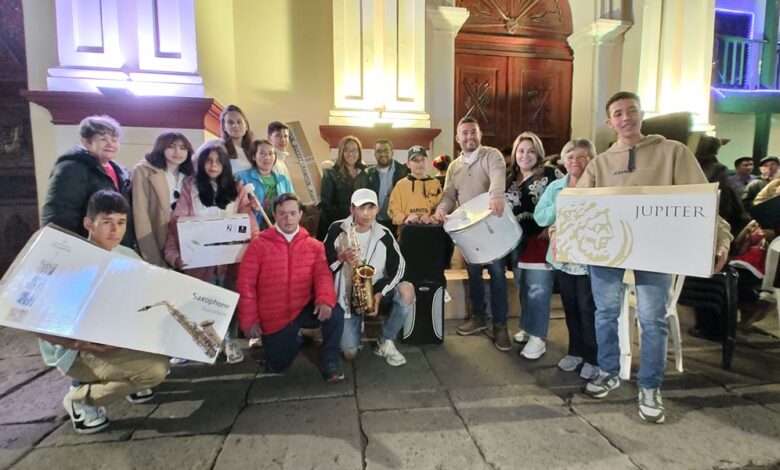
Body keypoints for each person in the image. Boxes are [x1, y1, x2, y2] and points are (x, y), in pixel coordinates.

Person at [577, 91, 732, 424]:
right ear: (610, 121)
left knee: (652, 319)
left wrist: (721, 239)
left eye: (631, 110)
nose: (625, 117)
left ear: (641, 114)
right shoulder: (600, 164)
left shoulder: (672, 152)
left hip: (655, 251)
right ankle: (607, 371)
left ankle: (649, 385)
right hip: (608, 250)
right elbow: (577, 208)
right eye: (618, 113)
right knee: (605, 312)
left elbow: (703, 203)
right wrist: (566, 236)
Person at [38, 190, 169, 434]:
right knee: (154, 371)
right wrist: (80, 343)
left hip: (118, 335)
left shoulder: (126, 254)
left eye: (120, 223)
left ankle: (125, 380)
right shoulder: (73, 261)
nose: (114, 230)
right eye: (106, 222)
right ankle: (82, 398)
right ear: (89, 223)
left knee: (168, 348)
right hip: (74, 350)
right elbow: (42, 322)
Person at [164, 140, 259, 364]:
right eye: (209, 160)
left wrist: (252, 251)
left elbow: (249, 222)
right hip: (200, 260)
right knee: (200, 301)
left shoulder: (236, 188)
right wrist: (177, 255)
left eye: (218, 161)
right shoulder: (191, 187)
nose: (213, 165)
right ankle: (201, 343)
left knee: (230, 299)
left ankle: (230, 341)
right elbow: (179, 221)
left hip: (231, 258)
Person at [237, 193, 344, 382]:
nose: (288, 218)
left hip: (303, 307)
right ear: (275, 215)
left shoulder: (314, 246)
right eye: (282, 214)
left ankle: (330, 361)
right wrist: (250, 320)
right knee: (277, 367)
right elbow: (246, 285)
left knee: (335, 312)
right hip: (275, 316)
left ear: (300, 214)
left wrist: (324, 299)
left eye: (293, 213)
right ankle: (294, 339)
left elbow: (323, 275)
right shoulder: (258, 245)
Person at [432, 116, 508, 350]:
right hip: (469, 231)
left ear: (480, 134)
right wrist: (442, 208)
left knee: (497, 274)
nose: (469, 136)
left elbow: (498, 175)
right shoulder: (454, 166)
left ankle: (500, 325)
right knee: (473, 274)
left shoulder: (491, 155)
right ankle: (478, 318)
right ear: (458, 138)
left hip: (492, 226)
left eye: (473, 132)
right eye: (464, 133)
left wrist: (496, 194)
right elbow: (449, 194)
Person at [324, 189, 414, 366]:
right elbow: (321, 262)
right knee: (349, 353)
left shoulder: (385, 233)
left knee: (407, 290)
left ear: (377, 209)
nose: (366, 214)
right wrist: (339, 258)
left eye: (371, 208)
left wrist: (380, 293)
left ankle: (385, 340)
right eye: (361, 208)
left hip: (375, 291)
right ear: (352, 209)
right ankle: (358, 323)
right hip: (347, 297)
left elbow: (399, 267)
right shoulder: (337, 228)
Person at [533, 139, 599, 379]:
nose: (575, 162)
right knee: (570, 307)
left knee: (587, 308)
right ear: (563, 161)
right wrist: (563, 206)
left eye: (582, 157)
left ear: (592, 159)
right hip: (564, 258)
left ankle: (593, 358)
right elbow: (541, 217)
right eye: (570, 157)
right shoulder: (556, 187)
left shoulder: (599, 185)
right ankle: (575, 352)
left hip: (590, 260)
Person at [505, 131, 563, 359]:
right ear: (514, 153)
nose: (525, 155)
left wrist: (552, 228)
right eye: (520, 150)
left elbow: (566, 199)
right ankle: (528, 327)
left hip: (540, 239)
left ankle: (538, 338)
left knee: (538, 289)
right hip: (517, 241)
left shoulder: (550, 173)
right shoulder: (510, 177)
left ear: (538, 152)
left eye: (530, 150)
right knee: (523, 286)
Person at [40, 115, 134, 248]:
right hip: (84, 247)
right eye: (103, 139)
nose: (110, 144)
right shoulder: (71, 168)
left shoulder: (120, 170)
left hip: (113, 248)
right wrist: (65, 248)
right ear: (86, 141)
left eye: (114, 140)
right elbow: (58, 214)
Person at [132, 132, 195, 267]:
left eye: (183, 148)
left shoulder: (190, 175)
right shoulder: (143, 171)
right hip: (157, 237)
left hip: (184, 243)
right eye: (171, 146)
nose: (177, 152)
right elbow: (140, 214)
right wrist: (152, 256)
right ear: (161, 148)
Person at [319, 136, 370, 239]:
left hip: (359, 225)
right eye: (346, 150)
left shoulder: (365, 173)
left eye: (354, 150)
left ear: (359, 152)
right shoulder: (330, 173)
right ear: (341, 152)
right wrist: (346, 222)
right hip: (335, 225)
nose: (351, 153)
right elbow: (326, 203)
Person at [235, 139, 294, 229]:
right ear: (254, 156)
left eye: (271, 153)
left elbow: (293, 204)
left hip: (280, 228)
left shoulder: (283, 180)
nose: (267, 157)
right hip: (253, 229)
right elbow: (234, 207)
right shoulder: (242, 177)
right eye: (262, 153)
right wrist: (249, 206)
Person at [387, 145, 443, 235]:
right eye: (415, 160)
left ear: (427, 161)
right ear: (408, 164)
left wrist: (432, 218)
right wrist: (405, 219)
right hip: (406, 233)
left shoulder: (435, 184)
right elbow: (392, 210)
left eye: (422, 159)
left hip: (431, 232)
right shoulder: (400, 185)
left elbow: (440, 206)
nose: (420, 163)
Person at [366, 138, 410, 235]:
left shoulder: (405, 171)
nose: (382, 154)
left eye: (386, 150)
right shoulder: (367, 173)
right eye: (379, 151)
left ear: (392, 152)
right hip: (375, 222)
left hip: (398, 223)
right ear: (374, 154)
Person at [220, 104, 254, 174]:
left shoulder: (254, 150)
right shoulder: (219, 147)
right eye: (230, 122)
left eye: (239, 122)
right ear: (224, 127)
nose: (235, 125)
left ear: (246, 126)